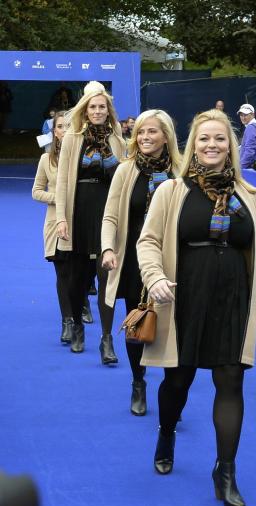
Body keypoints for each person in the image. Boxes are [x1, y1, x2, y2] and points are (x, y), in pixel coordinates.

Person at [137, 108, 256, 506]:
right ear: (192, 145)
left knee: (231, 382)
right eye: (204, 139)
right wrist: (153, 278)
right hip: (184, 298)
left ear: (231, 146)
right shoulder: (171, 192)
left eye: (220, 139)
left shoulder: (247, 196)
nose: (212, 145)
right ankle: (166, 430)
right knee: (177, 382)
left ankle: (225, 470)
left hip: (234, 300)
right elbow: (148, 242)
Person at [101, 110, 183, 417]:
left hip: (174, 260)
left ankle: (172, 388)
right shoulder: (126, 170)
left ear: (166, 137)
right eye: (141, 132)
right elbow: (110, 216)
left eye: (152, 132)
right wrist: (108, 248)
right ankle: (138, 382)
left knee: (174, 324)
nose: (145, 137)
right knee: (138, 323)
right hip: (135, 259)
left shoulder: (181, 170)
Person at [54, 81, 126, 361]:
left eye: (102, 107)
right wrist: (61, 218)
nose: (97, 111)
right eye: (93, 107)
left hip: (108, 210)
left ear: (108, 110)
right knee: (76, 278)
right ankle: (77, 327)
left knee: (106, 276)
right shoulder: (73, 137)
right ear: (85, 109)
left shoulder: (117, 136)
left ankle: (107, 338)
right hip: (78, 210)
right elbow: (62, 181)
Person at [32, 111, 72, 343]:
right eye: (60, 127)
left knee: (80, 274)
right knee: (63, 273)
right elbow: (36, 191)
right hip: (56, 223)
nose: (65, 130)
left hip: (81, 222)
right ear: (54, 131)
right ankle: (67, 320)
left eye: (69, 126)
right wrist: (58, 197)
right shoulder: (46, 160)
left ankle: (82, 304)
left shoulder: (83, 158)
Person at [238, 103, 256, 171]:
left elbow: (249, 152)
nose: (243, 117)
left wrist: (239, 168)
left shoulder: (250, 128)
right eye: (241, 115)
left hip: (252, 171)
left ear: (253, 115)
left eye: (246, 115)